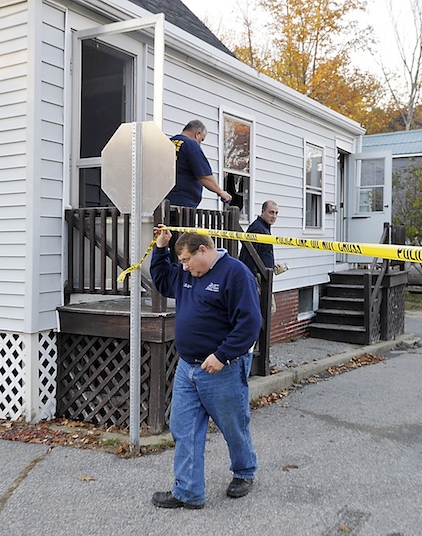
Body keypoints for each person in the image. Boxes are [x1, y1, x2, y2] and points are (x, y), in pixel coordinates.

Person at [149, 227, 261, 510]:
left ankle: (244, 471)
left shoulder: (235, 274)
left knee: (233, 425)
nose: (184, 267)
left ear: (203, 250)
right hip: (188, 367)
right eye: (181, 262)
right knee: (183, 428)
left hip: (221, 369)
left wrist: (222, 355)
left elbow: (249, 323)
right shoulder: (187, 274)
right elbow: (162, 280)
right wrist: (161, 248)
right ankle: (188, 491)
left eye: (186, 260)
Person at [165, 120, 233, 208]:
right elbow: (204, 176)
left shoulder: (167, 143)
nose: (200, 144)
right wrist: (221, 192)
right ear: (198, 134)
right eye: (201, 140)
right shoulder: (191, 145)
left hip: (163, 203)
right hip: (183, 205)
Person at [239, 200, 279, 276]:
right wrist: (255, 278)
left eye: (276, 213)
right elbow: (249, 257)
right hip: (257, 277)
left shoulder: (264, 228)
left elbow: (263, 253)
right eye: (271, 212)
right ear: (262, 211)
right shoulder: (257, 229)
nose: (274, 216)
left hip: (264, 275)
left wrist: (271, 264)